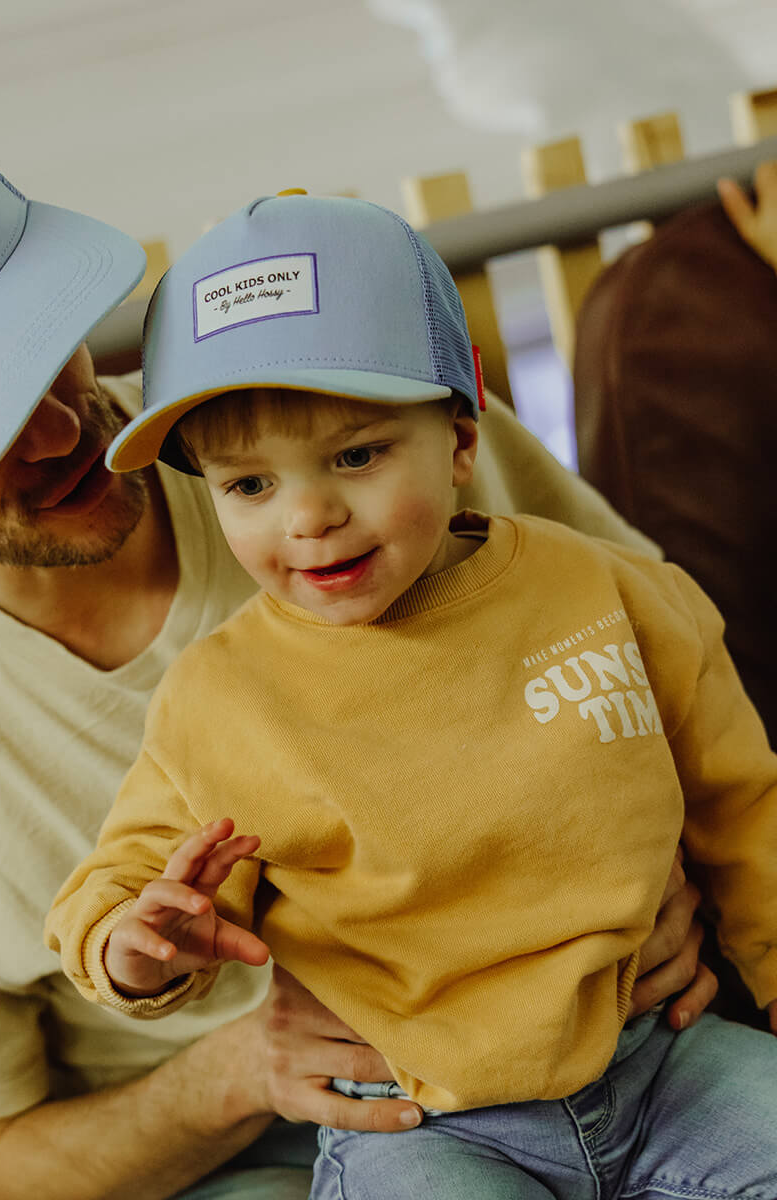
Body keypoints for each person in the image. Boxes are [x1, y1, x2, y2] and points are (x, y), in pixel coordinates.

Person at [0, 80, 714, 1200]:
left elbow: (679, 680)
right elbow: (0, 1165)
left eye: (31, 342)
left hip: (619, 1038)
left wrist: (676, 879)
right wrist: (240, 1072)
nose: (57, 430)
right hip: (253, 1157)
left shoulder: (369, 427)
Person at [45, 192, 777, 1198]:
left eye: (356, 455)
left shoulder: (610, 592)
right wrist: (131, 945)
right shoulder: (220, 700)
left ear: (463, 441)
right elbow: (128, 873)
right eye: (249, 485)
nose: (310, 516)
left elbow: (745, 803)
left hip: (664, 1062)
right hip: (423, 1120)